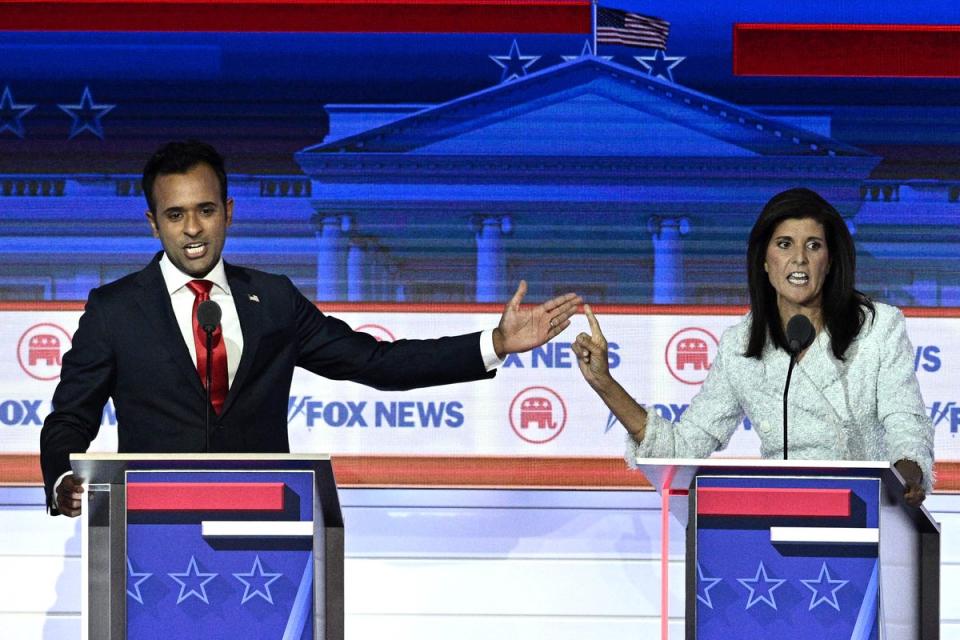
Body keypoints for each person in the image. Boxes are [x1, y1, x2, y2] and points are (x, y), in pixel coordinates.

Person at [41, 140, 582, 516]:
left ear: (228, 211)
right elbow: (69, 418)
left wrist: (494, 343)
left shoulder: (272, 299)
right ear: (152, 222)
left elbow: (377, 363)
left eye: (205, 210)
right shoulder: (113, 310)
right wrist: (64, 479)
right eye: (175, 215)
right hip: (150, 525)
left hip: (264, 522)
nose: (193, 230)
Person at [572, 187, 934, 506]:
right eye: (784, 244)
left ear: (831, 260)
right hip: (776, 521)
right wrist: (605, 383)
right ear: (764, 260)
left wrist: (907, 473)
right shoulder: (741, 346)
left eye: (814, 245)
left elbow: (905, 421)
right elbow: (682, 449)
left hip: (868, 514)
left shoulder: (877, 327)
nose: (799, 259)